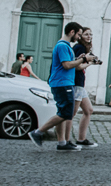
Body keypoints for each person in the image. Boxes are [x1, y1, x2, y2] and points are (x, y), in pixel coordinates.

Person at [28, 22, 90, 151]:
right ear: (72, 32)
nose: (79, 37)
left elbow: (72, 64)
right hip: (62, 83)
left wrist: (81, 59)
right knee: (66, 113)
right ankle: (38, 132)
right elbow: (66, 65)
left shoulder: (65, 46)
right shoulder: (62, 46)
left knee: (62, 113)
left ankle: (62, 143)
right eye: (78, 34)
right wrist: (83, 59)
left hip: (64, 83)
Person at [72, 27, 99, 148]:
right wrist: (90, 63)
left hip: (80, 84)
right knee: (71, 113)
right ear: (81, 36)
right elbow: (77, 67)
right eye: (86, 34)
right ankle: (63, 139)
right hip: (76, 82)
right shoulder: (80, 48)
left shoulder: (82, 48)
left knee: (88, 110)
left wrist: (90, 62)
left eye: (90, 34)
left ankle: (81, 139)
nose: (89, 36)